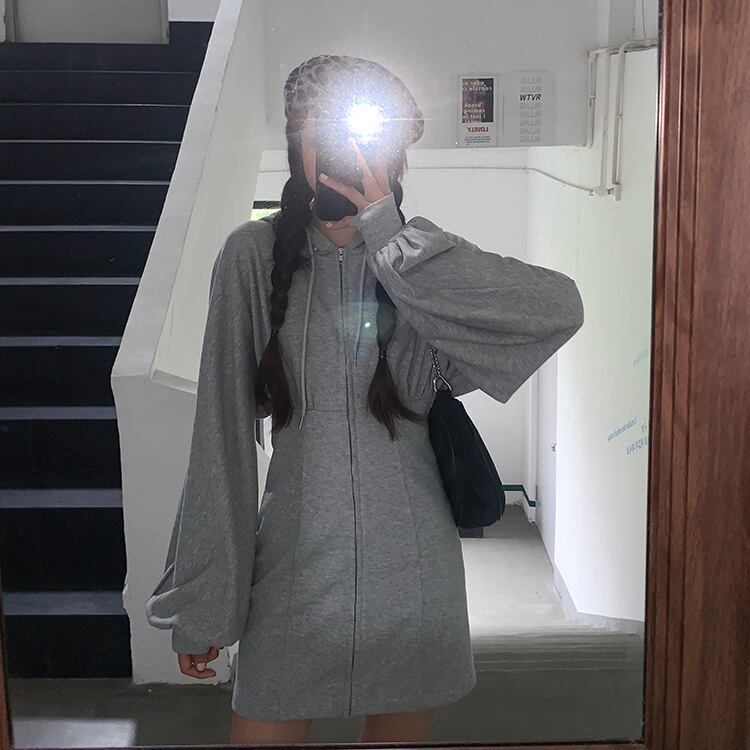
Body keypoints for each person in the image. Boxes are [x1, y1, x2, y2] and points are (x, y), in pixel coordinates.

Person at [145, 54, 585, 745]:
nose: (339, 153)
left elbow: (557, 307)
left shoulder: (420, 258)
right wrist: (206, 600)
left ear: (394, 150)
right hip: (291, 572)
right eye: (318, 131)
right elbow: (220, 436)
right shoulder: (251, 256)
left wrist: (388, 236)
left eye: (360, 135)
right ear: (296, 143)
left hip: (414, 580)